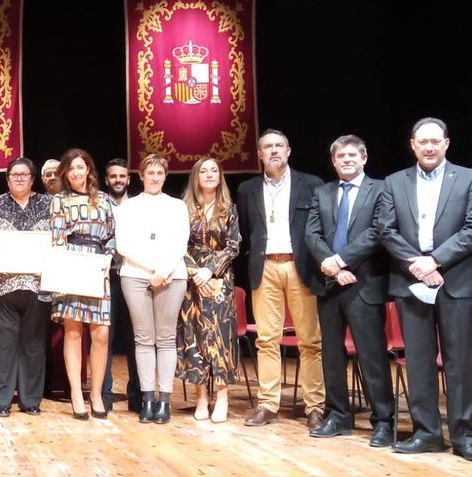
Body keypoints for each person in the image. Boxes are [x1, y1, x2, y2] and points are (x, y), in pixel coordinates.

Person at [376, 117, 472, 462]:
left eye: (435, 141)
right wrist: (416, 264)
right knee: (419, 362)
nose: (429, 147)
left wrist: (434, 261)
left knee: (458, 363)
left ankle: (464, 437)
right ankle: (426, 433)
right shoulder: (394, 182)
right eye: (422, 141)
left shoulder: (470, 178)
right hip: (411, 282)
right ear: (412, 144)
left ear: (446, 144)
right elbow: (385, 228)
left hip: (457, 281)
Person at [304, 135, 395, 446]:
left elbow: (378, 233)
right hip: (329, 282)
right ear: (333, 161)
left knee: (371, 356)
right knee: (331, 354)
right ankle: (339, 416)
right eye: (340, 155)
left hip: (364, 283)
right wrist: (329, 264)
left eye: (352, 154)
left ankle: (383, 420)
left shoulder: (381, 189)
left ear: (364, 158)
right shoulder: (323, 191)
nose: (346, 159)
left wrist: (342, 261)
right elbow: (312, 233)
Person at [236, 130, 325, 429]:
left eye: (278, 146)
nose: (273, 151)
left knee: (310, 342)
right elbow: (248, 230)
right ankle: (267, 404)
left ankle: (315, 406)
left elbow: (320, 228)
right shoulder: (247, 189)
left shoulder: (311, 184)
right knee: (266, 341)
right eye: (267, 147)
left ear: (288, 151)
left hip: (300, 267)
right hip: (265, 267)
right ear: (259, 154)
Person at [114, 154, 189, 423]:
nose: (155, 177)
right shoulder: (128, 207)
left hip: (172, 276)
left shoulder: (177, 206)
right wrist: (151, 270)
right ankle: (147, 398)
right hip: (136, 275)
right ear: (141, 176)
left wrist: (164, 271)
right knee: (144, 339)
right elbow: (123, 245)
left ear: (165, 176)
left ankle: (164, 401)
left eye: (160, 173)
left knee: (166, 339)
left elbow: (181, 243)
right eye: (150, 173)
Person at [49, 148, 116, 420]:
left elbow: (112, 235)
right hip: (71, 263)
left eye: (81, 167)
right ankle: (77, 393)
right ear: (65, 173)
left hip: (98, 266)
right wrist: (65, 266)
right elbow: (56, 237)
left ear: (89, 169)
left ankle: (96, 393)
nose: (77, 172)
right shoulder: (59, 201)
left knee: (100, 334)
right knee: (73, 332)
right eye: (72, 168)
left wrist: (108, 258)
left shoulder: (104, 200)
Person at [0, 157, 52, 417]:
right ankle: (2, 399)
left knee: (33, 344)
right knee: (2, 345)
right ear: (8, 178)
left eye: (25, 175)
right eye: (14, 175)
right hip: (2, 286)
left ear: (33, 179)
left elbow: (59, 241)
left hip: (37, 285)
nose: (20, 179)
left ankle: (30, 399)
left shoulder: (48, 204)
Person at [177, 156, 241, 423]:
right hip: (191, 279)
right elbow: (177, 243)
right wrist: (194, 272)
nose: (210, 174)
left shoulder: (229, 208)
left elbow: (234, 245)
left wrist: (210, 270)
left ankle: (223, 396)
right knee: (194, 335)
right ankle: (201, 396)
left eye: (214, 170)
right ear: (196, 176)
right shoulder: (183, 208)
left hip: (219, 278)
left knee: (220, 337)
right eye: (204, 170)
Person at [103, 157, 138, 412]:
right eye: (113, 176)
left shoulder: (138, 206)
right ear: (107, 180)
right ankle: (103, 395)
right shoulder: (99, 204)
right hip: (106, 278)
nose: (118, 180)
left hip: (134, 276)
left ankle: (137, 395)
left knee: (135, 338)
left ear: (129, 179)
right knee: (104, 337)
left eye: (122, 176)